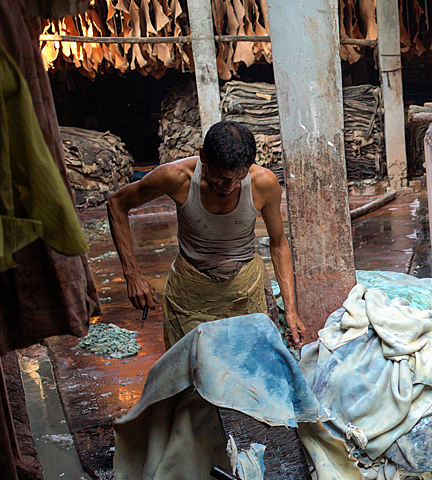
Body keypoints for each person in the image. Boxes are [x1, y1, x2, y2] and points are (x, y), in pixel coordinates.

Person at [106, 120, 306, 350]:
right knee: (195, 369)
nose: (228, 186)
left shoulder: (264, 183)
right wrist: (132, 275)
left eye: (238, 178)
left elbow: (279, 244)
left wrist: (290, 311)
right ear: (203, 157)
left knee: (252, 366)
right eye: (221, 177)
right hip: (191, 292)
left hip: (245, 289)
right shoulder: (176, 177)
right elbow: (117, 204)